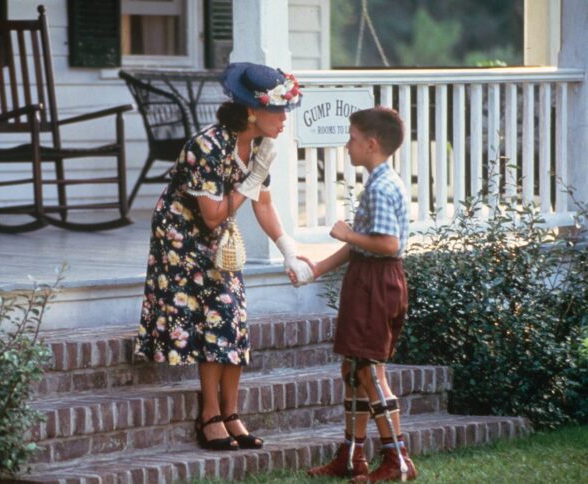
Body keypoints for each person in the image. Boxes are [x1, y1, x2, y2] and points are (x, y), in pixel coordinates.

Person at [134, 62, 315, 451]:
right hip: (181, 236)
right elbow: (213, 214)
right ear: (252, 110)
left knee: (232, 318)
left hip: (218, 238)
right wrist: (250, 182)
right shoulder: (207, 146)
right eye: (279, 110)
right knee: (211, 320)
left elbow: (263, 204)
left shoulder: (261, 146)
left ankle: (231, 414)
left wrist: (289, 251)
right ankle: (209, 415)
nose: (285, 120)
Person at [296, 107, 418, 482]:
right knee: (353, 370)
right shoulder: (381, 182)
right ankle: (352, 456)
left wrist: (347, 233)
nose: (346, 145)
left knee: (367, 369)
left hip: (375, 283)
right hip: (370, 278)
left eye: (351, 138)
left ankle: (397, 461)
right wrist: (317, 268)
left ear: (371, 143)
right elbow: (363, 245)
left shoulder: (381, 187)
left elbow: (387, 244)